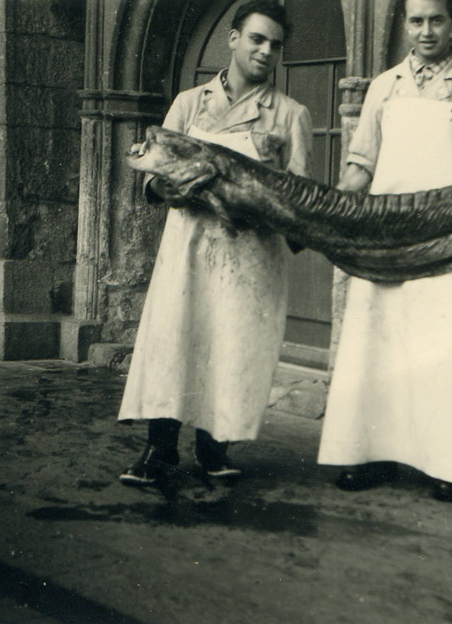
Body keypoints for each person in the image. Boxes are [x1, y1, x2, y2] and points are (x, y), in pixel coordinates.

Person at [317, 0, 452, 504]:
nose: (426, 32)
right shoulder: (384, 87)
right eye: (416, 21)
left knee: (443, 349)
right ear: (404, 23)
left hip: (448, 237)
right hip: (386, 236)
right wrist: (330, 209)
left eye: (436, 20)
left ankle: (445, 466)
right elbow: (360, 167)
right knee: (378, 345)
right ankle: (368, 455)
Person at [117, 0, 312, 485]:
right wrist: (168, 184)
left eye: (275, 45)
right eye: (256, 39)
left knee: (233, 345)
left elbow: (300, 194)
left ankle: (214, 448)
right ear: (233, 38)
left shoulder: (290, 115)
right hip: (187, 248)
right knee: (174, 339)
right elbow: (152, 176)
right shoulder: (188, 103)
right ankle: (159, 450)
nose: (266, 51)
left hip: (250, 255)